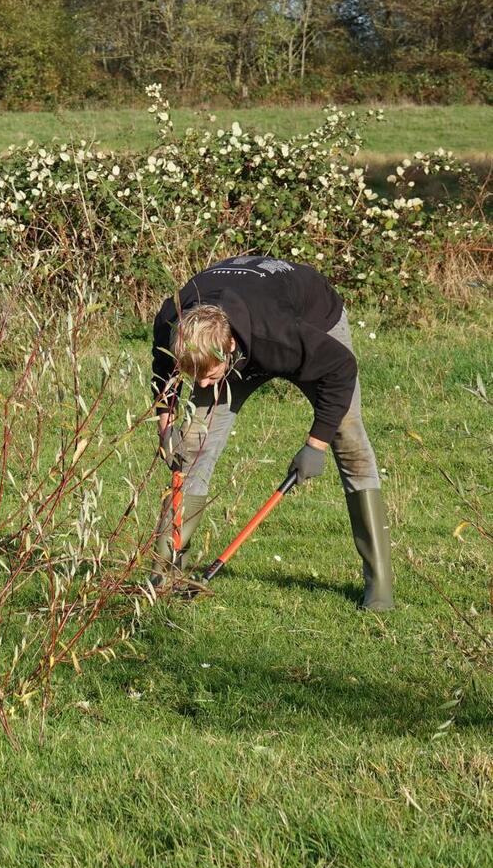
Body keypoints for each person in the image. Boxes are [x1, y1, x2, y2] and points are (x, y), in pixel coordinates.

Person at [150, 255, 393, 611]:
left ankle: (380, 586)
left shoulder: (280, 335)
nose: (200, 384)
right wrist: (166, 423)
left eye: (208, 375)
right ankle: (164, 574)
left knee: (349, 436)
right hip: (239, 318)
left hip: (311, 317)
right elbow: (163, 371)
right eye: (193, 373)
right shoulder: (172, 320)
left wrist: (316, 444)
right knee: (192, 444)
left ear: (230, 346)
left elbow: (342, 370)